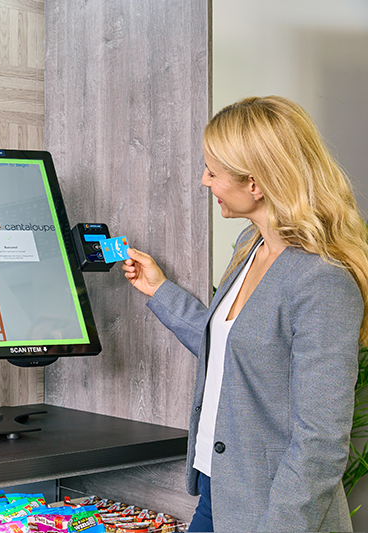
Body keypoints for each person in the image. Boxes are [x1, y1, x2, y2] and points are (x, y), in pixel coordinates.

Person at [122, 96, 368, 532]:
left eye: (213, 172)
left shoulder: (322, 281)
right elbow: (235, 351)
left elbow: (322, 442)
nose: (204, 181)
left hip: (278, 514)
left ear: (254, 183)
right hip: (221, 493)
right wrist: (159, 290)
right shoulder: (248, 246)